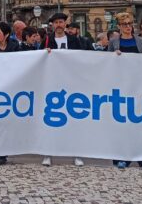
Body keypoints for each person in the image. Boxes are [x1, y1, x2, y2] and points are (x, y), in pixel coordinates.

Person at [108, 12, 142, 170]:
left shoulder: (141, 42)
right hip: (121, 86)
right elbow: (107, 63)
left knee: (141, 122)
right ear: (119, 26)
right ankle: (122, 156)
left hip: (139, 85)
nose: (128, 27)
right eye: (124, 24)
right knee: (123, 123)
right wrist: (114, 56)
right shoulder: (114, 43)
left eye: (129, 24)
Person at [43, 12, 84, 167]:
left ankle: (76, 153)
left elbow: (82, 57)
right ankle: (48, 153)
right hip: (52, 84)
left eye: (61, 22)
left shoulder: (74, 40)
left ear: (65, 24)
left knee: (73, 118)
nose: (59, 25)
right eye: (56, 22)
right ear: (52, 25)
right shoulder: (47, 40)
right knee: (51, 118)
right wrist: (44, 54)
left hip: (71, 83)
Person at [0, 22, 19, 165]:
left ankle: (6, 149)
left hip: (11, 87)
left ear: (6, 35)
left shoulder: (15, 46)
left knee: (8, 121)